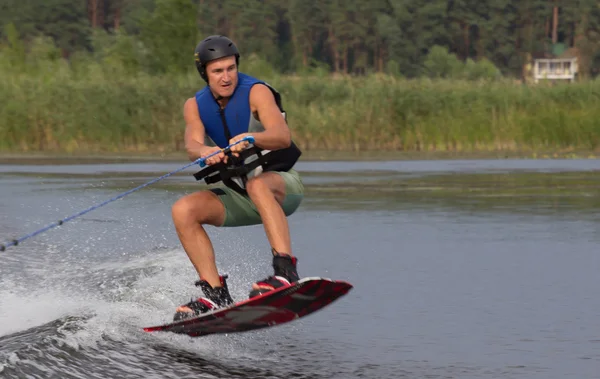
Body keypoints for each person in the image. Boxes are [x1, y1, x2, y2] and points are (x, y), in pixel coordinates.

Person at [170, 35, 305, 321]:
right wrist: (206, 151)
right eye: (218, 71)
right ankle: (215, 295)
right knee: (183, 210)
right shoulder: (194, 105)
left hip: (281, 187)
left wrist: (251, 137)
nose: (226, 76)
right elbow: (192, 145)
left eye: (231, 68)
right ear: (204, 73)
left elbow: (282, 136)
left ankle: (285, 272)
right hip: (241, 196)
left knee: (257, 183)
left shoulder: (256, 92)